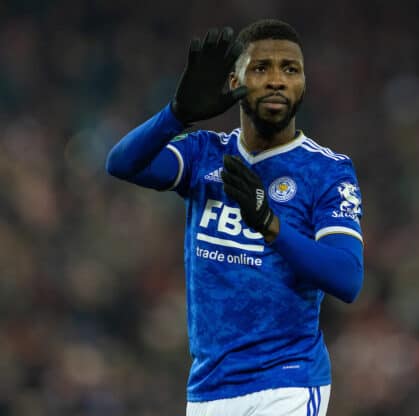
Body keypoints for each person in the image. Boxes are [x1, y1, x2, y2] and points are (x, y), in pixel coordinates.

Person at [106, 18, 364, 416]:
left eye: (290, 69)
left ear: (303, 84)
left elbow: (347, 278)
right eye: (261, 68)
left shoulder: (326, 171)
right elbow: (121, 163)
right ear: (234, 81)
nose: (277, 80)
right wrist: (176, 115)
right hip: (209, 388)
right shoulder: (204, 154)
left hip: (287, 382)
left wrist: (270, 225)